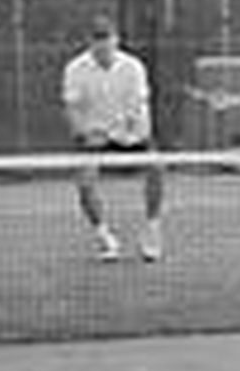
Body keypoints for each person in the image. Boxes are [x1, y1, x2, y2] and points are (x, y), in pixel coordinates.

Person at [61, 14, 165, 262]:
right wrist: (84, 134)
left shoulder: (133, 67)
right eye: (97, 39)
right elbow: (72, 109)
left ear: (116, 40)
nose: (103, 45)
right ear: (89, 42)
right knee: (84, 183)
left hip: (131, 135)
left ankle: (152, 231)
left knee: (157, 168)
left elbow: (138, 108)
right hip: (94, 138)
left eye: (106, 38)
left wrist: (131, 130)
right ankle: (104, 237)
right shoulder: (75, 69)